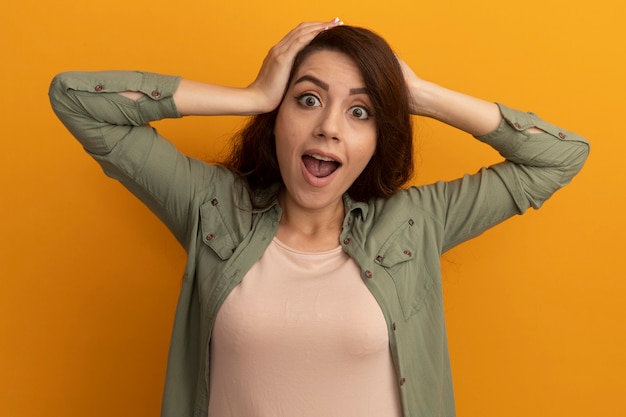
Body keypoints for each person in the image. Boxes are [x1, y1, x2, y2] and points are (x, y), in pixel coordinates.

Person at [49, 18, 589, 417]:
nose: (330, 127)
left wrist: (416, 94)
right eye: (307, 100)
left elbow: (560, 155)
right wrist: (251, 94)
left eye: (361, 112)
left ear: (379, 138)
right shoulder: (212, 207)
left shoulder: (414, 222)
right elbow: (74, 99)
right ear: (277, 119)